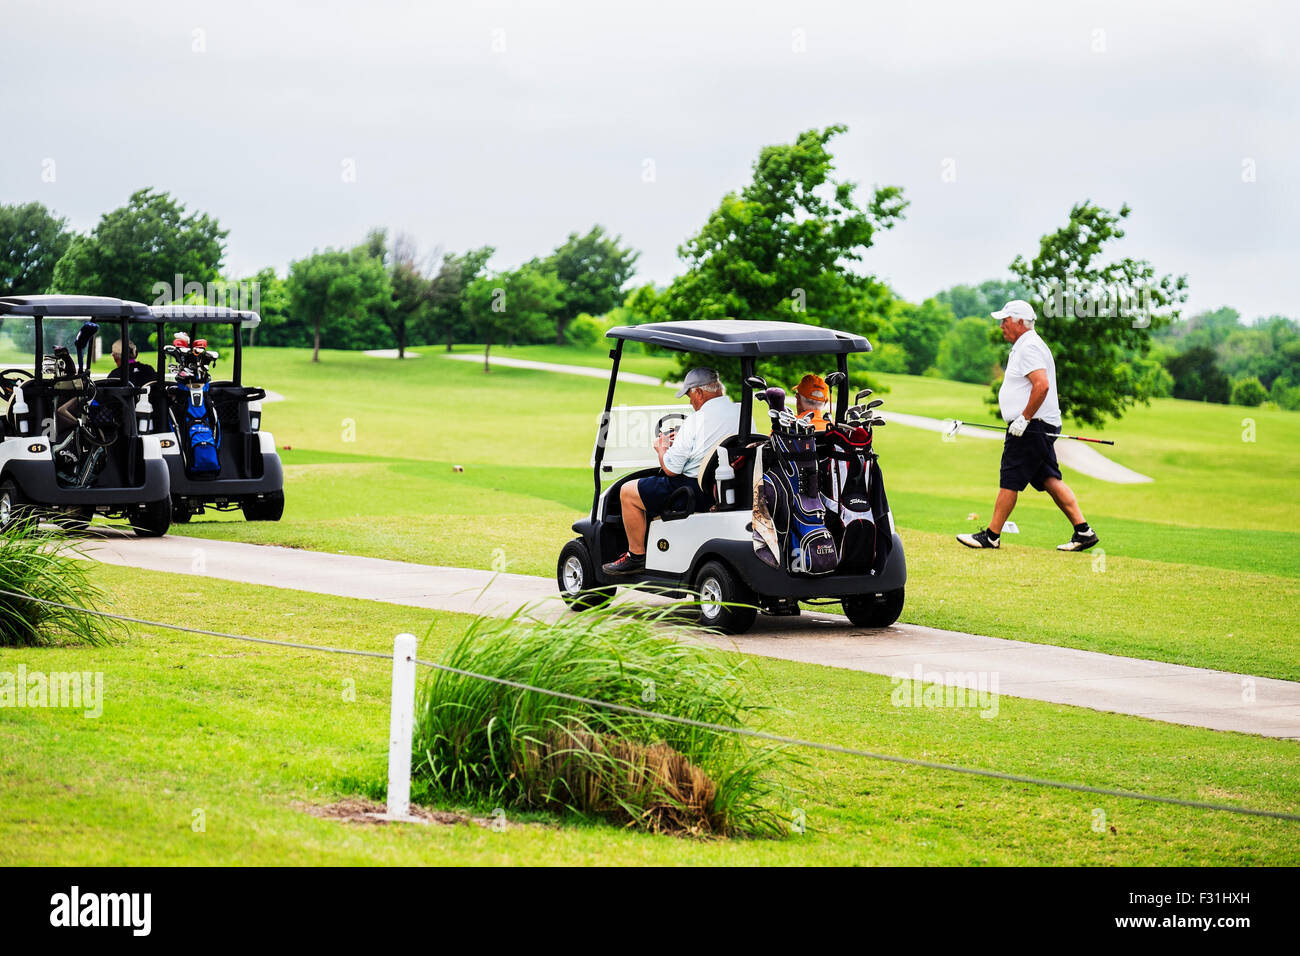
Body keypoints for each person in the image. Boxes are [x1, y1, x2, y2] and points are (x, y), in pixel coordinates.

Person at [956, 300, 1099, 552]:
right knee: (1049, 478)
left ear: (1020, 322)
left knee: (1010, 478)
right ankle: (1084, 531)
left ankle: (991, 536)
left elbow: (1041, 385)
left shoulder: (1029, 346)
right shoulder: (1026, 344)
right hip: (1037, 424)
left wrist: (1024, 418)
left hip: (1031, 426)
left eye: (1006, 321)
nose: (1001, 326)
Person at [602, 367, 739, 574]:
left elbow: (670, 470)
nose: (690, 402)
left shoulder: (696, 420)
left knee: (628, 492)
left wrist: (662, 448)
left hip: (693, 491)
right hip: (725, 487)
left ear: (699, 393)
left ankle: (636, 557)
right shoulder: (740, 412)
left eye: (689, 396)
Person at [56, 339, 156, 432]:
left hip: (122, 424)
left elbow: (105, 402)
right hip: (151, 418)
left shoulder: (115, 375)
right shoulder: (149, 370)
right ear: (135, 354)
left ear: (115, 357)